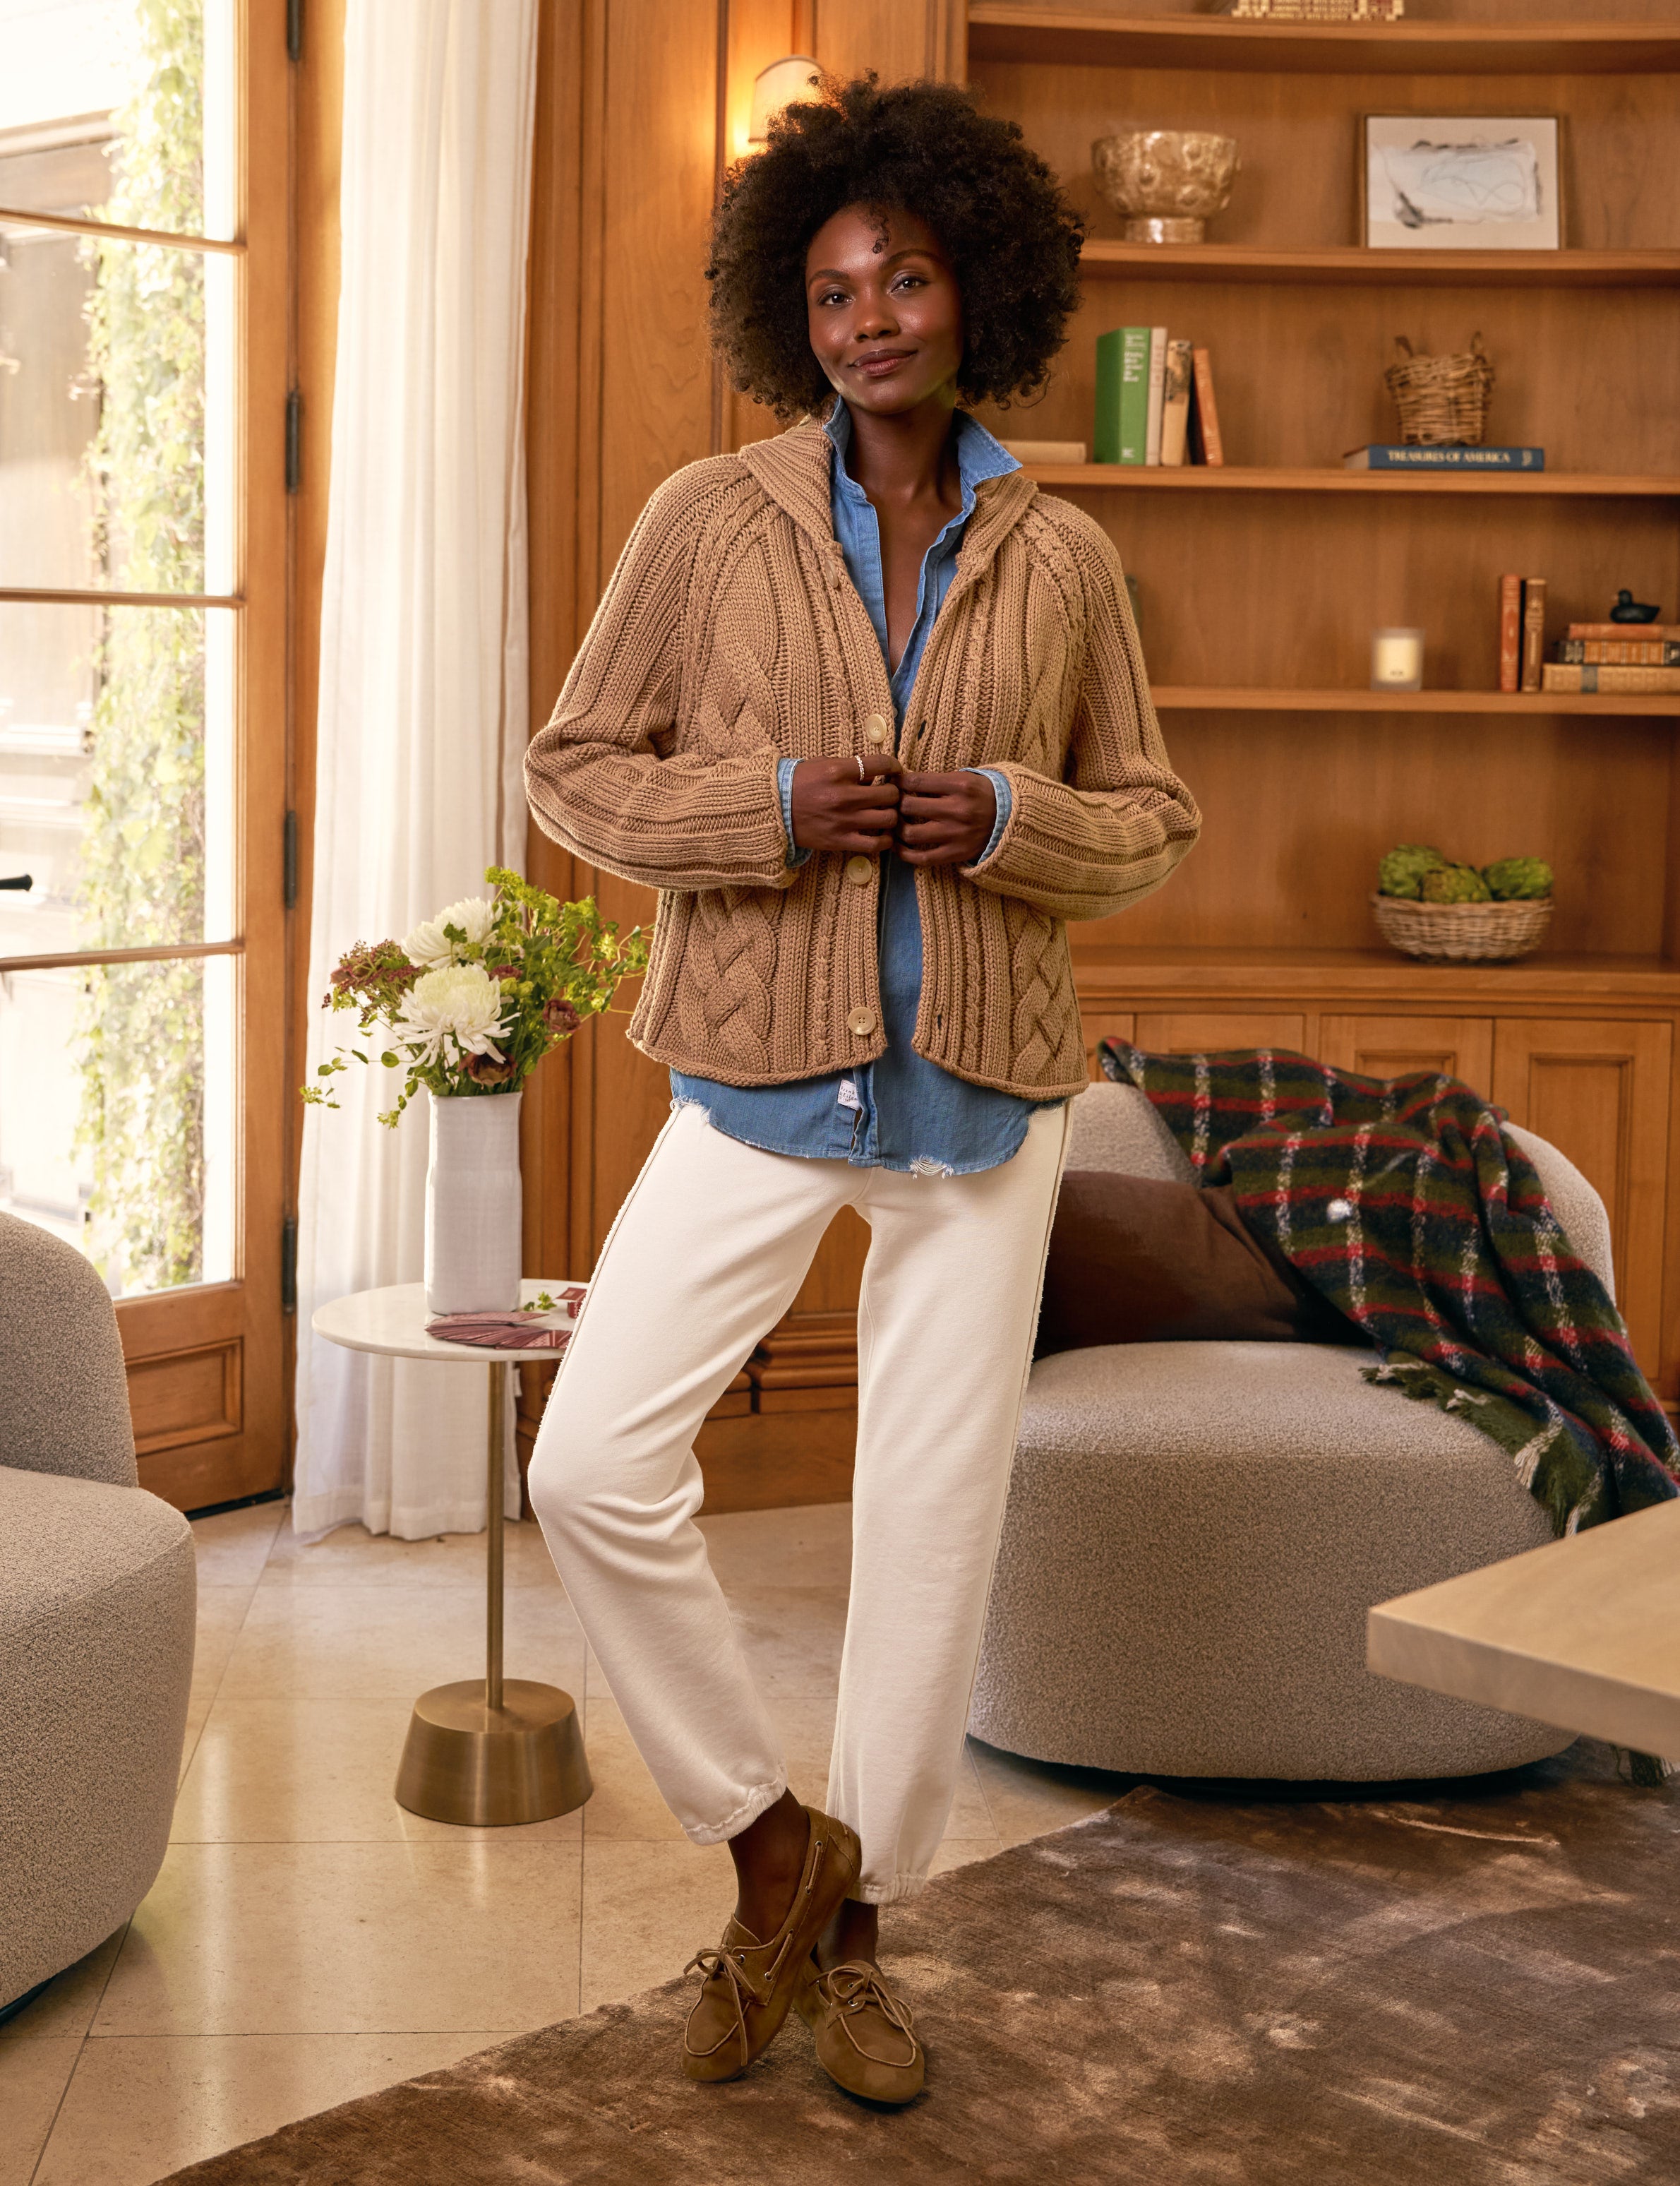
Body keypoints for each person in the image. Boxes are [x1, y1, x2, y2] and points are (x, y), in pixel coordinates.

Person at [524, 73, 1199, 2106]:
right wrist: (769, 806)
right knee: (589, 1464)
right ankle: (769, 1848)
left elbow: (1149, 815)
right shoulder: (703, 520)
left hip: (987, 1105)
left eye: (901, 278)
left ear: (972, 288)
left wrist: (999, 816)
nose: (867, 319)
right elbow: (572, 769)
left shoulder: (1061, 550)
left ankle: (864, 1933)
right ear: (787, 316)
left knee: (927, 1536)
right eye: (829, 291)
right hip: (749, 1083)